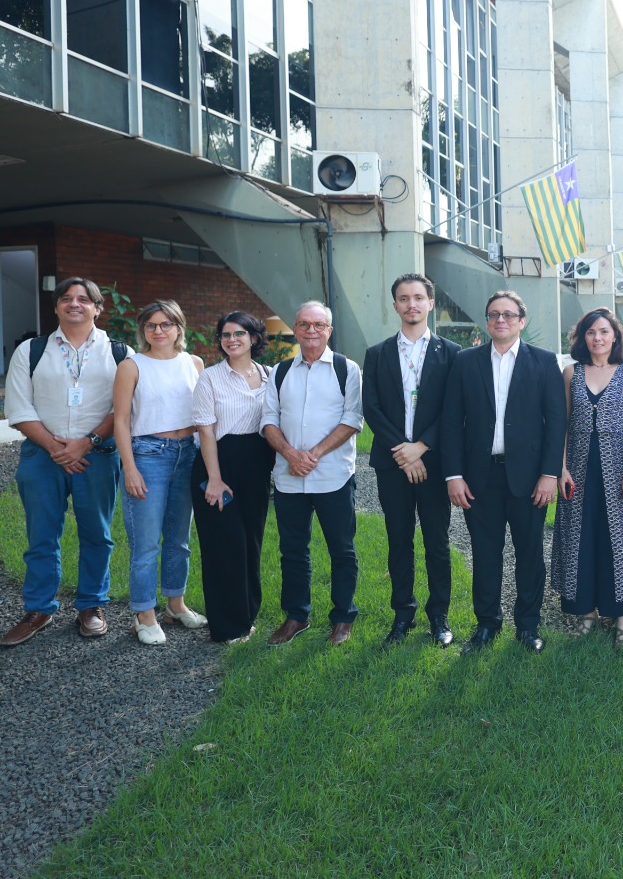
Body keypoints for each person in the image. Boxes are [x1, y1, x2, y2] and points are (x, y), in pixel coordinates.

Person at [0, 277, 126, 646]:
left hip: (97, 456)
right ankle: (38, 610)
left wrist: (86, 443)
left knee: (97, 535)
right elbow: (19, 408)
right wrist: (58, 449)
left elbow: (124, 409)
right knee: (41, 536)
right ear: (55, 307)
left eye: (84, 299)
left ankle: (91, 606)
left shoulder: (120, 353)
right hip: (41, 457)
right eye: (66, 298)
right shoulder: (31, 350)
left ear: (97, 308)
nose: (74, 304)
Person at [442, 291, 566, 653]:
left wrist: (549, 474)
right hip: (479, 478)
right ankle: (487, 624)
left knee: (530, 554)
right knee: (485, 553)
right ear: (486, 321)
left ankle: (528, 627)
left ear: (521, 321)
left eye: (509, 315)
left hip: (529, 478)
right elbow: (451, 422)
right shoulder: (465, 362)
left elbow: (556, 422)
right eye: (494, 314)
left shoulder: (544, 362)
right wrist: (453, 475)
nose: (501, 320)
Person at [362, 273, 461, 648]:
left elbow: (454, 410)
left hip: (434, 463)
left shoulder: (451, 353)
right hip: (392, 463)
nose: (411, 304)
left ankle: (439, 616)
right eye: (404, 298)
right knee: (398, 540)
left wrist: (421, 446)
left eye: (418, 297)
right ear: (395, 306)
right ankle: (402, 614)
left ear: (430, 303)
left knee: (437, 542)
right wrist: (403, 452)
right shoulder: (377, 354)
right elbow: (372, 408)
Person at [261, 301, 364, 646]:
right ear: (295, 329)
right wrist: (291, 454)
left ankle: (343, 617)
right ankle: (296, 616)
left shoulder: (346, 369)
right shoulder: (279, 372)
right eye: (304, 324)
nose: (311, 330)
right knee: (292, 550)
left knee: (342, 549)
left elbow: (353, 419)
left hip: (333, 476)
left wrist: (313, 454)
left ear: (329, 330)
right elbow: (268, 420)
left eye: (319, 325)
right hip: (289, 476)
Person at [553, 308, 623, 647]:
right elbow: (563, 425)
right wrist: (561, 467)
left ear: (615, 336)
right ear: (583, 337)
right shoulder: (571, 373)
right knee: (580, 539)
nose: (598, 338)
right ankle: (586, 613)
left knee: (620, 541)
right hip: (578, 471)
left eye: (604, 331)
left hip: (617, 472)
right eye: (591, 332)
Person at [113, 300, 207, 645]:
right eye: (151, 325)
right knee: (146, 543)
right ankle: (144, 614)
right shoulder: (131, 366)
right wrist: (130, 468)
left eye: (166, 324)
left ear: (179, 328)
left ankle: (175, 604)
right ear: (143, 330)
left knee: (179, 539)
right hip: (148, 455)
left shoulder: (194, 363)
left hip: (188, 454)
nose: (158, 330)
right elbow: (121, 421)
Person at [191, 311, 276, 644]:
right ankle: (227, 628)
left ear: (253, 338)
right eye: (225, 335)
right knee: (225, 545)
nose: (231, 340)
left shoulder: (270, 375)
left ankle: (247, 617)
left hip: (257, 467)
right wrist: (214, 479)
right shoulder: (210, 378)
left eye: (239, 333)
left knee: (251, 542)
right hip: (218, 465)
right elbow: (206, 431)